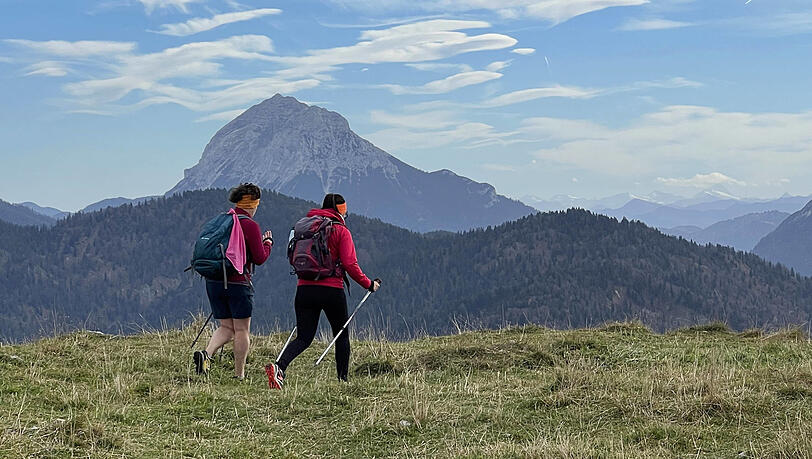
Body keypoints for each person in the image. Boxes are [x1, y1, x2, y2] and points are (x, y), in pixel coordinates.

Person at [265, 193, 380, 388]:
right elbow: (350, 264)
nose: (345, 214)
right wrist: (369, 284)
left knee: (304, 337)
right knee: (341, 335)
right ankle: (342, 382)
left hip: (304, 288)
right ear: (339, 210)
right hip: (331, 290)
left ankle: (280, 366)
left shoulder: (303, 227)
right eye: (344, 210)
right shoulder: (341, 231)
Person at [193, 183, 273, 380]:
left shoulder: (223, 220)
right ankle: (239, 375)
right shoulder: (249, 225)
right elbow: (260, 258)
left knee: (226, 327)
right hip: (237, 282)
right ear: (253, 204)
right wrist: (267, 244)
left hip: (214, 281)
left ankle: (207, 354)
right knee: (241, 330)